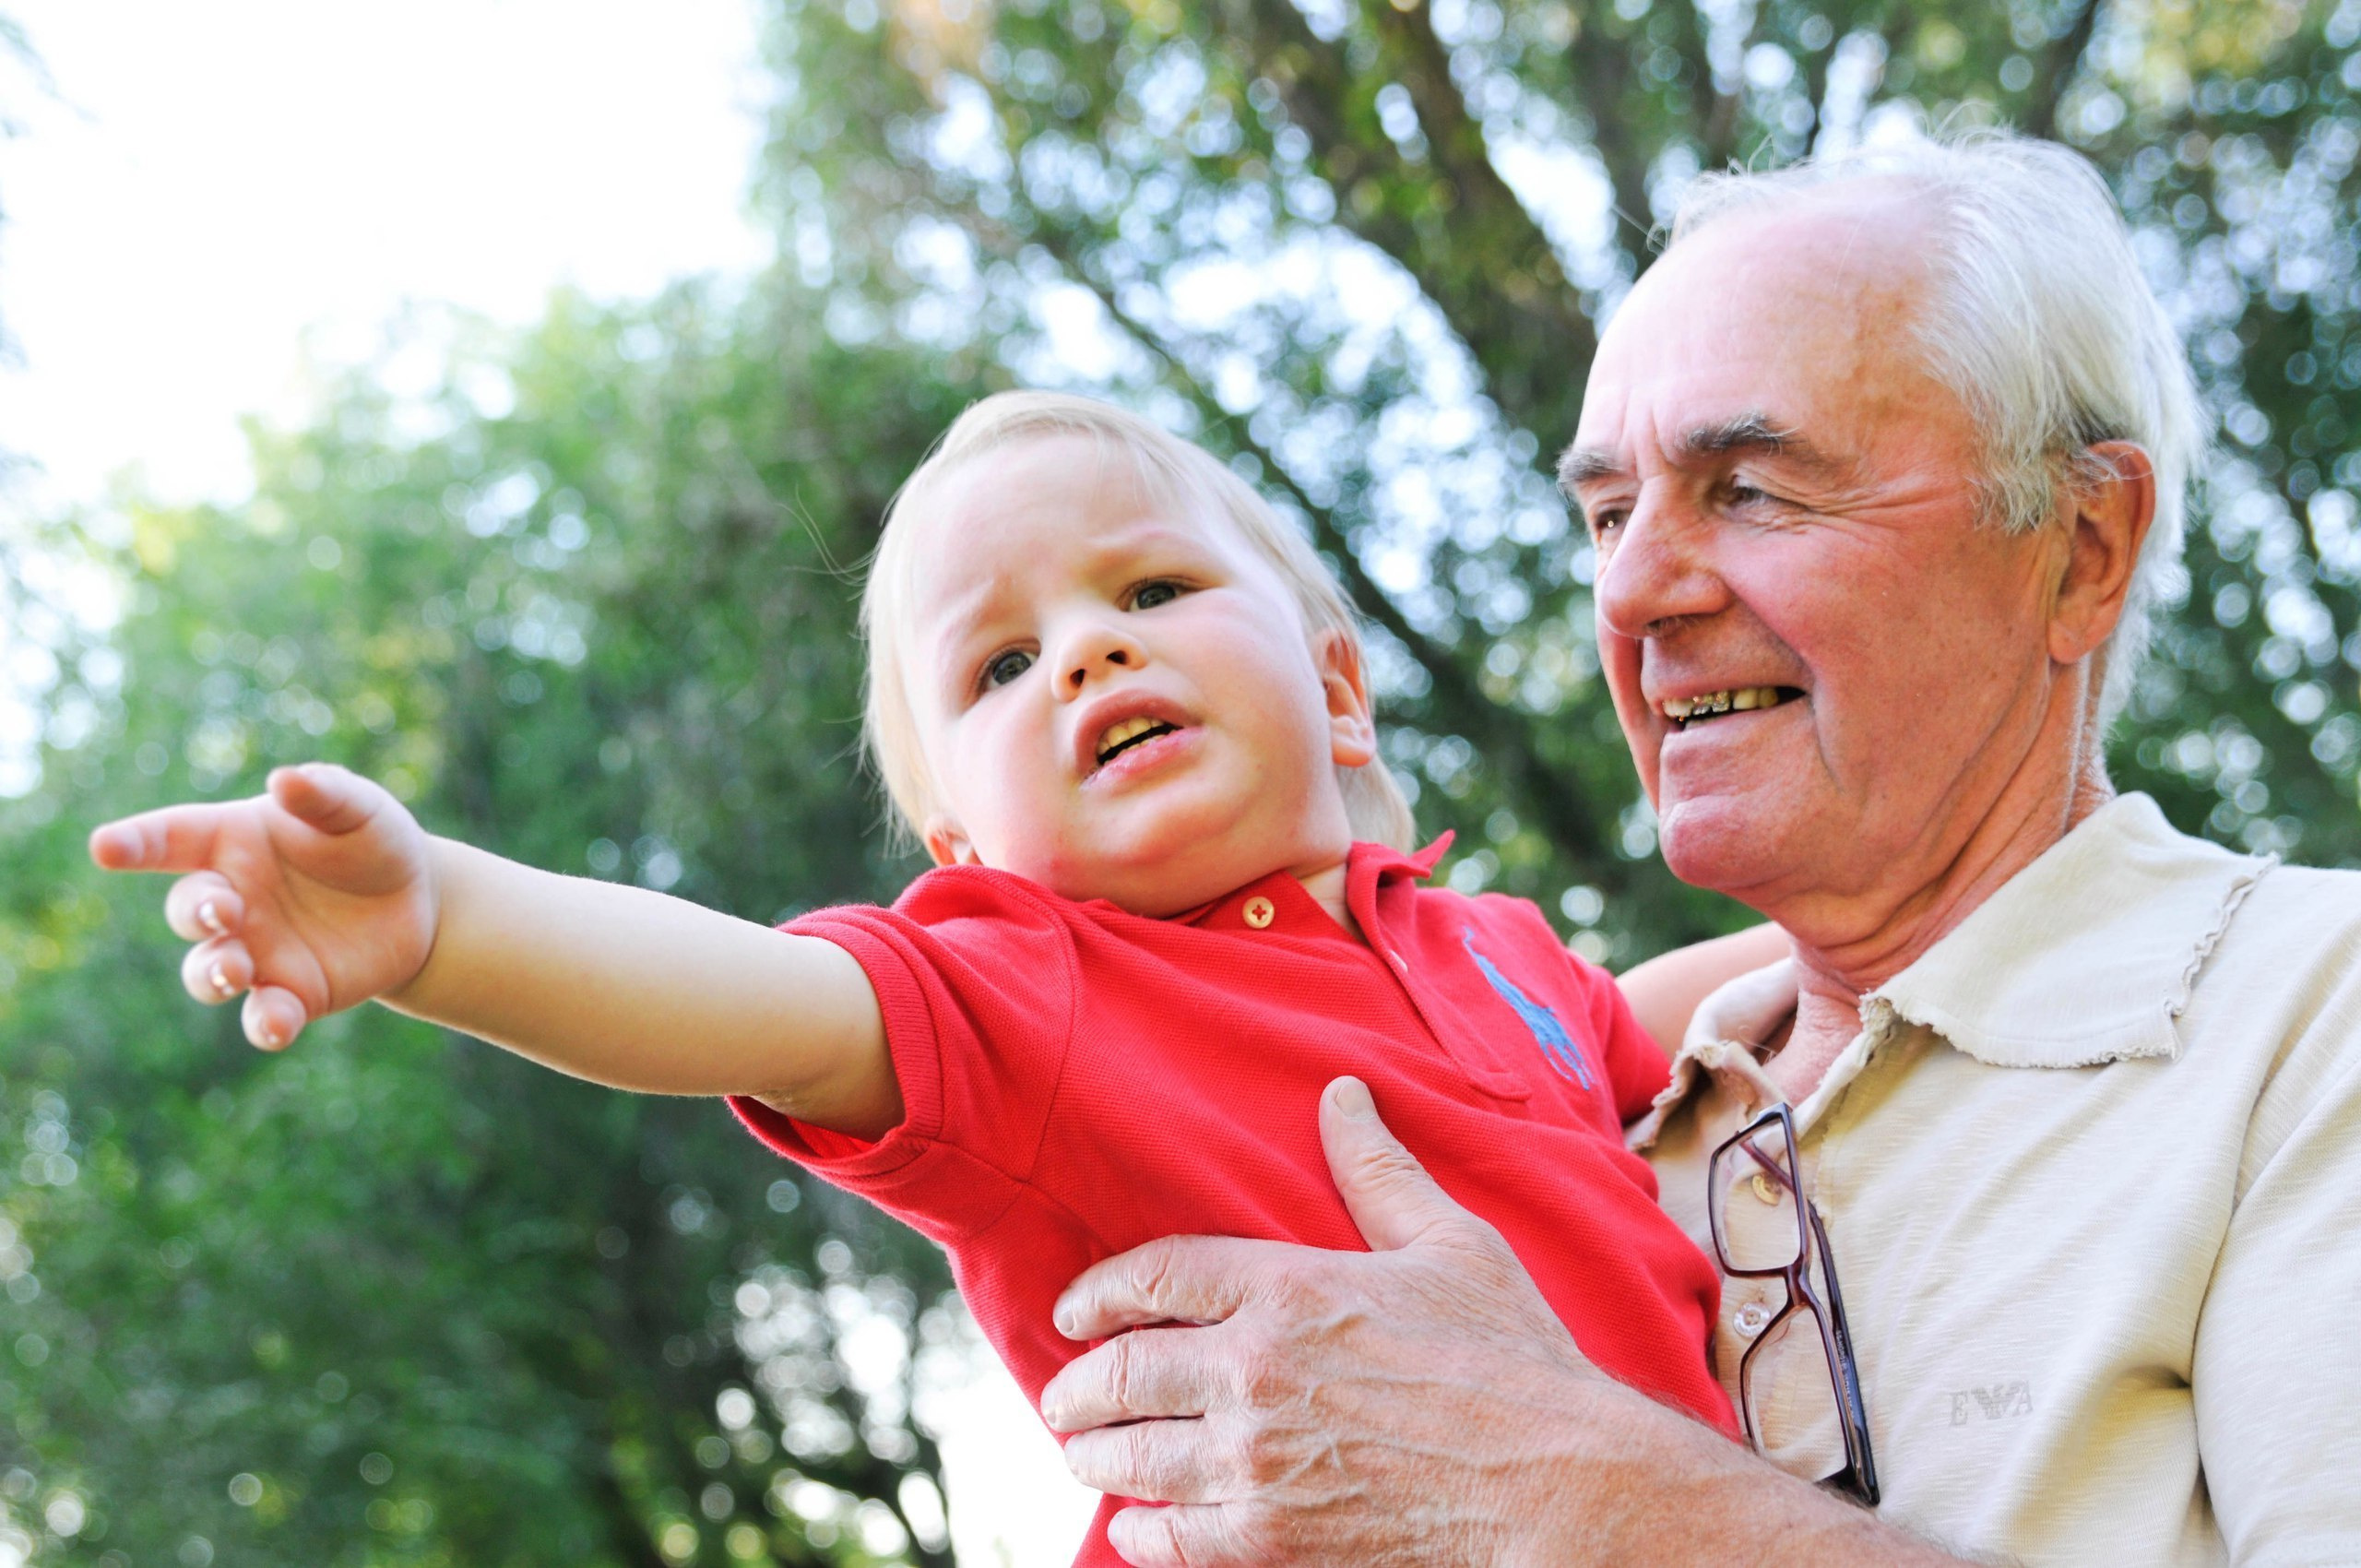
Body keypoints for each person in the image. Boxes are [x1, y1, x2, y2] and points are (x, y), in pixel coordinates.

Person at [89, 392, 1763, 1567]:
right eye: (1001, 661)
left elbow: (1660, 1021)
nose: (1090, 650)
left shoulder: (1500, 953)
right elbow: (746, 999)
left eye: (1153, 588)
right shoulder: (1029, 994)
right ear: (963, 845)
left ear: (1338, 689)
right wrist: (446, 920)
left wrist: (2004, 874)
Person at [1034, 132, 2361, 1566]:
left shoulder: (2309, 1015)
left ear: (2082, 547)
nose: (1634, 591)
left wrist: (1553, 1486)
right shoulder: (1568, 1121)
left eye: (1751, 489)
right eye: (1609, 515)